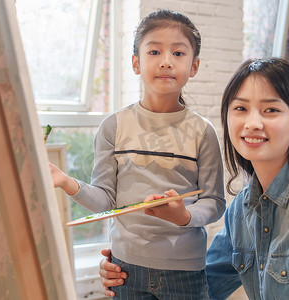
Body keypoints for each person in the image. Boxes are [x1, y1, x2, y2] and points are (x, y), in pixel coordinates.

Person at [99, 57, 289, 299]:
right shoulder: (242, 210)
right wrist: (133, 270)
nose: (252, 123)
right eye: (241, 108)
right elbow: (198, 288)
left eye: (271, 110)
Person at [49, 9, 225, 299]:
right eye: (154, 51)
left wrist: (183, 215)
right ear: (135, 63)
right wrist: (67, 182)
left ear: (193, 67)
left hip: (186, 271)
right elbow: (106, 201)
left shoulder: (203, 132)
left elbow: (215, 202)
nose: (166, 61)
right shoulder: (113, 127)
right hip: (124, 269)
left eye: (178, 54)